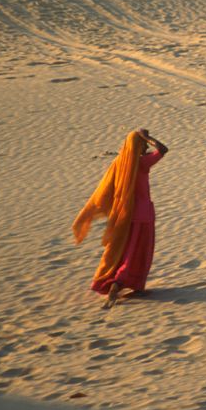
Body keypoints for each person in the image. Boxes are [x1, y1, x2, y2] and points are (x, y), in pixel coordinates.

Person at [72, 129, 168, 309]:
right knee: (139, 252)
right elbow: (163, 150)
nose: (145, 147)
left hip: (125, 215)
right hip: (143, 215)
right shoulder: (141, 163)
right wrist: (148, 138)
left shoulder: (119, 163)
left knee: (125, 250)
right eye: (143, 145)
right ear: (138, 146)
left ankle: (120, 283)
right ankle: (121, 284)